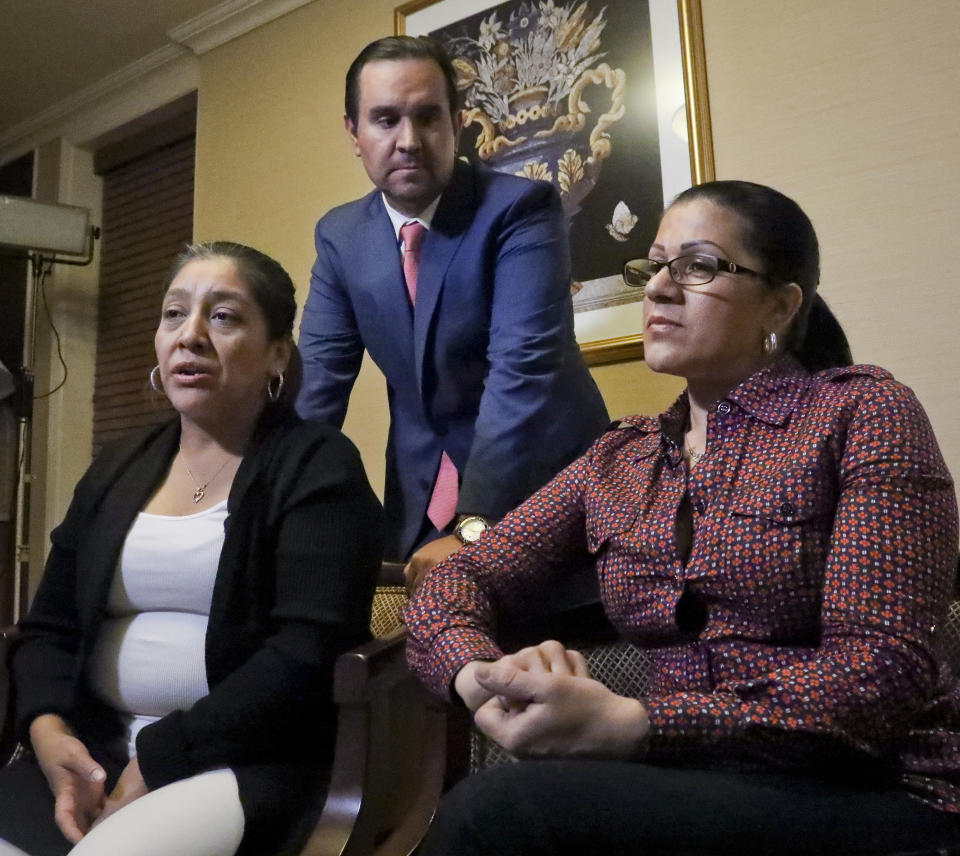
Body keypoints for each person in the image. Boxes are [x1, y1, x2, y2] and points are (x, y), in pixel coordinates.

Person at [405, 180, 960, 855]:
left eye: (699, 266)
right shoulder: (621, 457)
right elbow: (455, 582)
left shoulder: (863, 414)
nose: (659, 289)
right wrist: (479, 676)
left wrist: (641, 724)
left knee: (504, 810)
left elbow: (881, 673)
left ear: (780, 304)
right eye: (653, 266)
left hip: (876, 794)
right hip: (692, 786)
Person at [0, 242, 384, 856]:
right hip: (93, 752)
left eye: (224, 316)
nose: (191, 335)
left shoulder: (318, 466)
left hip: (244, 763)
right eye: (174, 314)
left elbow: (308, 652)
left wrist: (159, 757)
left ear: (277, 352)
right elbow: (49, 628)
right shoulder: (116, 468)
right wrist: (48, 735)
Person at [295, 35, 608, 587]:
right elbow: (317, 385)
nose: (408, 141)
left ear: (458, 121)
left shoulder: (521, 208)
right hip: (418, 502)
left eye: (427, 117)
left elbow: (523, 370)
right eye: (385, 119)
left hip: (543, 492)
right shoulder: (340, 237)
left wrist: (472, 525)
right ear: (354, 132)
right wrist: (262, 503)